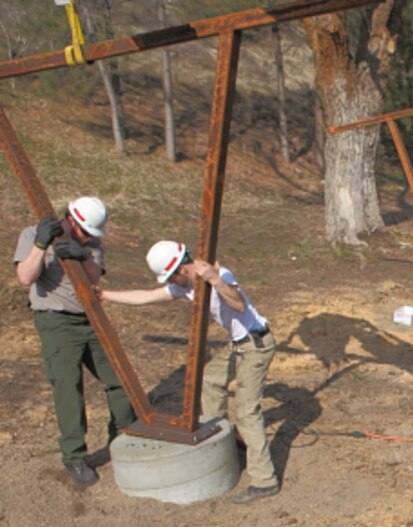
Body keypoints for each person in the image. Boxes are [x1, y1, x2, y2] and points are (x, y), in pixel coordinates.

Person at [99, 241, 280, 504]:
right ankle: (222, 441)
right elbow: (146, 296)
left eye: (173, 276)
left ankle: (265, 481)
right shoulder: (185, 286)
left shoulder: (221, 275)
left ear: (183, 268)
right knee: (210, 379)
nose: (172, 282)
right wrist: (105, 295)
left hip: (256, 343)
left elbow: (239, 305)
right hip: (238, 344)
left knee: (247, 412)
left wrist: (216, 280)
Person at [13, 197, 136, 488]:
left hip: (91, 318)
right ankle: (74, 456)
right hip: (56, 322)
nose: (90, 238)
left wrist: (82, 253)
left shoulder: (91, 244)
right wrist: (41, 246)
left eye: (92, 234)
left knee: (120, 378)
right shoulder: (33, 234)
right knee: (69, 388)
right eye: (85, 233)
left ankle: (121, 436)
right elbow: (25, 276)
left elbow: (95, 279)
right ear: (70, 219)